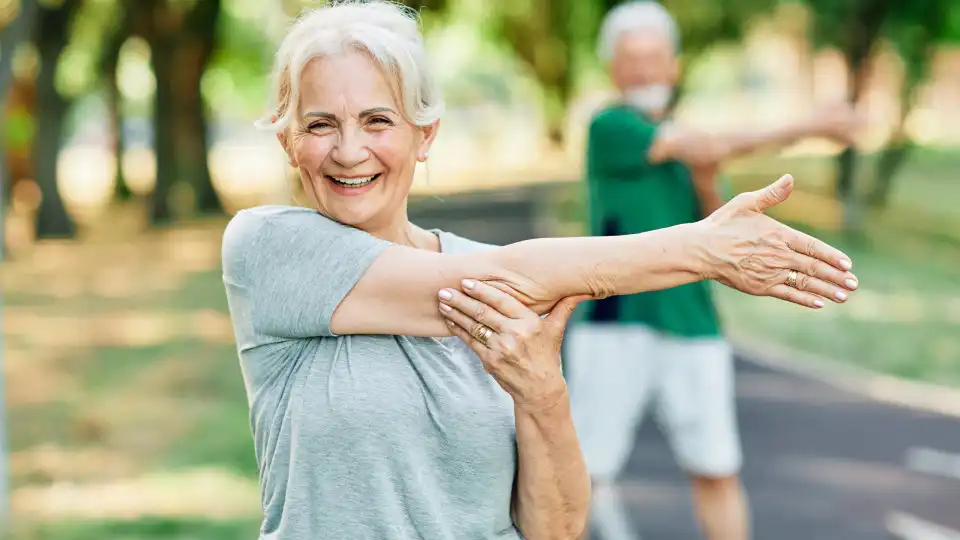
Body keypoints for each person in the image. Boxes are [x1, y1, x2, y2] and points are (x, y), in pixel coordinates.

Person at [220, 2, 859, 539]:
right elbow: (509, 275)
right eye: (320, 124)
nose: (349, 150)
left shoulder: (494, 277)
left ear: (426, 133)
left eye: (377, 120)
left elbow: (554, 530)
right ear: (287, 141)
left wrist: (543, 394)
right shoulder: (268, 248)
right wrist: (702, 250)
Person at [565, 2, 863, 540]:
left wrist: (707, 173)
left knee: (717, 470)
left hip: (694, 321)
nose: (644, 71)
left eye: (654, 58)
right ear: (612, 68)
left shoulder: (690, 144)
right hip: (616, 321)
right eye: (630, 59)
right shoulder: (611, 127)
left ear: (674, 66)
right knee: (582, 474)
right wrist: (811, 126)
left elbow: (717, 215)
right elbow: (698, 143)